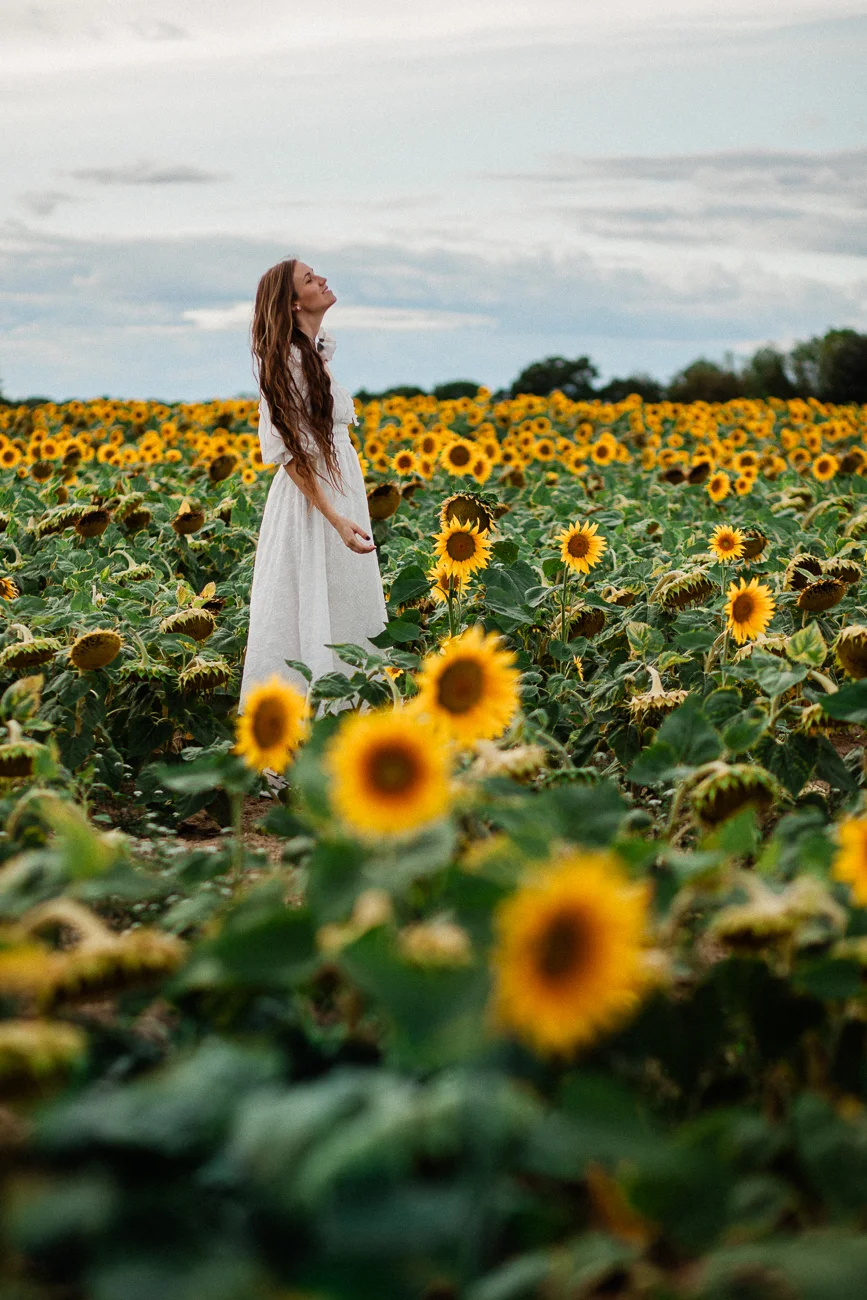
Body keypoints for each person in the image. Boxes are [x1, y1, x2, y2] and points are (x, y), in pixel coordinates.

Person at [237, 257, 388, 750]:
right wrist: (336, 519)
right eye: (309, 278)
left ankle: (343, 738)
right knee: (307, 611)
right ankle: (297, 746)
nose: (323, 278)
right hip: (315, 505)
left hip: (337, 495)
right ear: (294, 302)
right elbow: (292, 455)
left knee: (342, 607)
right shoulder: (284, 360)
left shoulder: (313, 354)